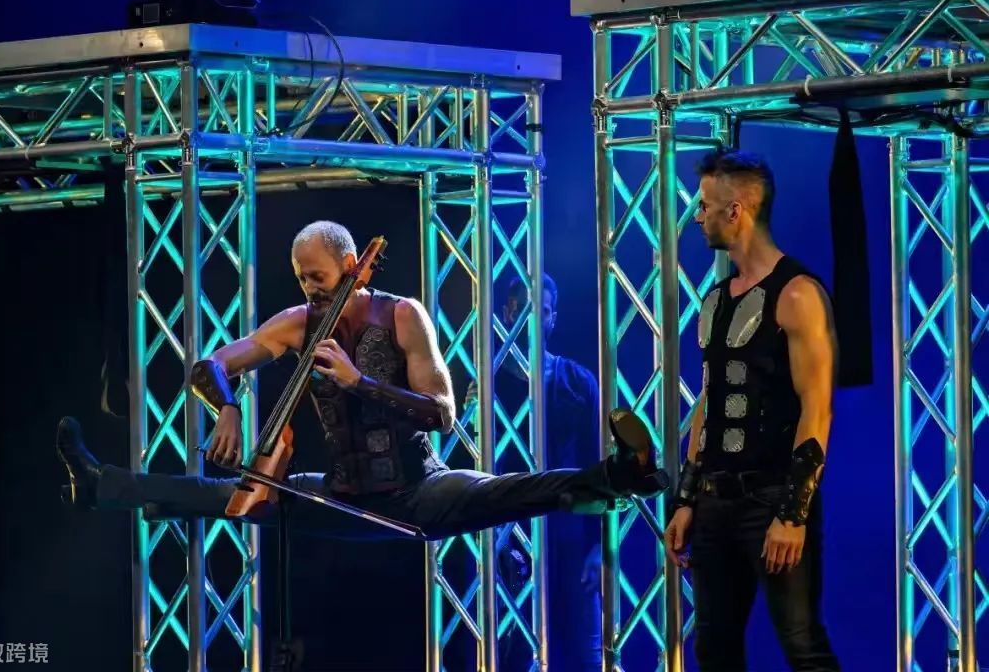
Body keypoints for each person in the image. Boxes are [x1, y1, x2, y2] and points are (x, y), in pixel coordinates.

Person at [58, 221, 668, 544]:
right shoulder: (297, 323)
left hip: (418, 490)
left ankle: (623, 475)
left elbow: (442, 414)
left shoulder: (402, 315)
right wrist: (228, 406)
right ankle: (99, 484)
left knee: (507, 491)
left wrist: (357, 382)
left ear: (351, 266)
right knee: (227, 494)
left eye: (319, 277)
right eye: (301, 278)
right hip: (342, 493)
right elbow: (209, 366)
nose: (310, 289)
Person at [662, 149, 840, 671]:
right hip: (716, 500)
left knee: (802, 644)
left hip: (772, 496)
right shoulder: (717, 299)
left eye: (705, 205)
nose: (698, 216)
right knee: (713, 647)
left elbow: (817, 410)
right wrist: (686, 498)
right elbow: (709, 400)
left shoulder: (798, 295)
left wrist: (793, 512)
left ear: (735, 210)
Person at [492, 274, 602, 672]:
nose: (536, 318)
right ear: (508, 313)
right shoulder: (487, 383)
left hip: (571, 534)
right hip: (511, 536)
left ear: (554, 318)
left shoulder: (578, 381)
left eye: (545, 310)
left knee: (586, 653)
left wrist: (599, 548)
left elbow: (597, 465)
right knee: (517, 654)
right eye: (526, 309)